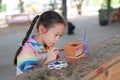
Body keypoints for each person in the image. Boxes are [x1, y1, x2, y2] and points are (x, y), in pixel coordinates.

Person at [13, 10, 66, 75]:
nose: (57, 39)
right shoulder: (26, 49)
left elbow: (56, 64)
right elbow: (30, 76)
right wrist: (48, 61)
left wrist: (55, 57)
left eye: (60, 36)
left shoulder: (48, 44)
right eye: (56, 35)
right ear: (42, 29)